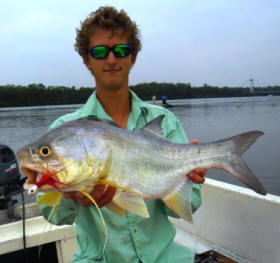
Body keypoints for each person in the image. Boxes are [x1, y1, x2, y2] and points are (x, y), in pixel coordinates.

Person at [39, 6, 207, 263]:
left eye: (121, 50)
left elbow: (190, 204)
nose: (111, 60)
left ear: (133, 57)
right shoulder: (64, 129)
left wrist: (184, 180)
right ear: (87, 60)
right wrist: (69, 195)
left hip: (166, 258)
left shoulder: (163, 121)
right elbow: (52, 215)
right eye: (99, 52)